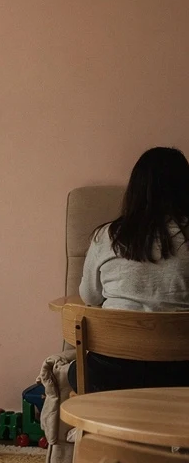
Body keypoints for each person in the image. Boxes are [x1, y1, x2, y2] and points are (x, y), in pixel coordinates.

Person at [77, 145, 189, 390]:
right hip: (180, 375)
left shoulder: (106, 236)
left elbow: (89, 296)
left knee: (77, 371)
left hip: (110, 373)